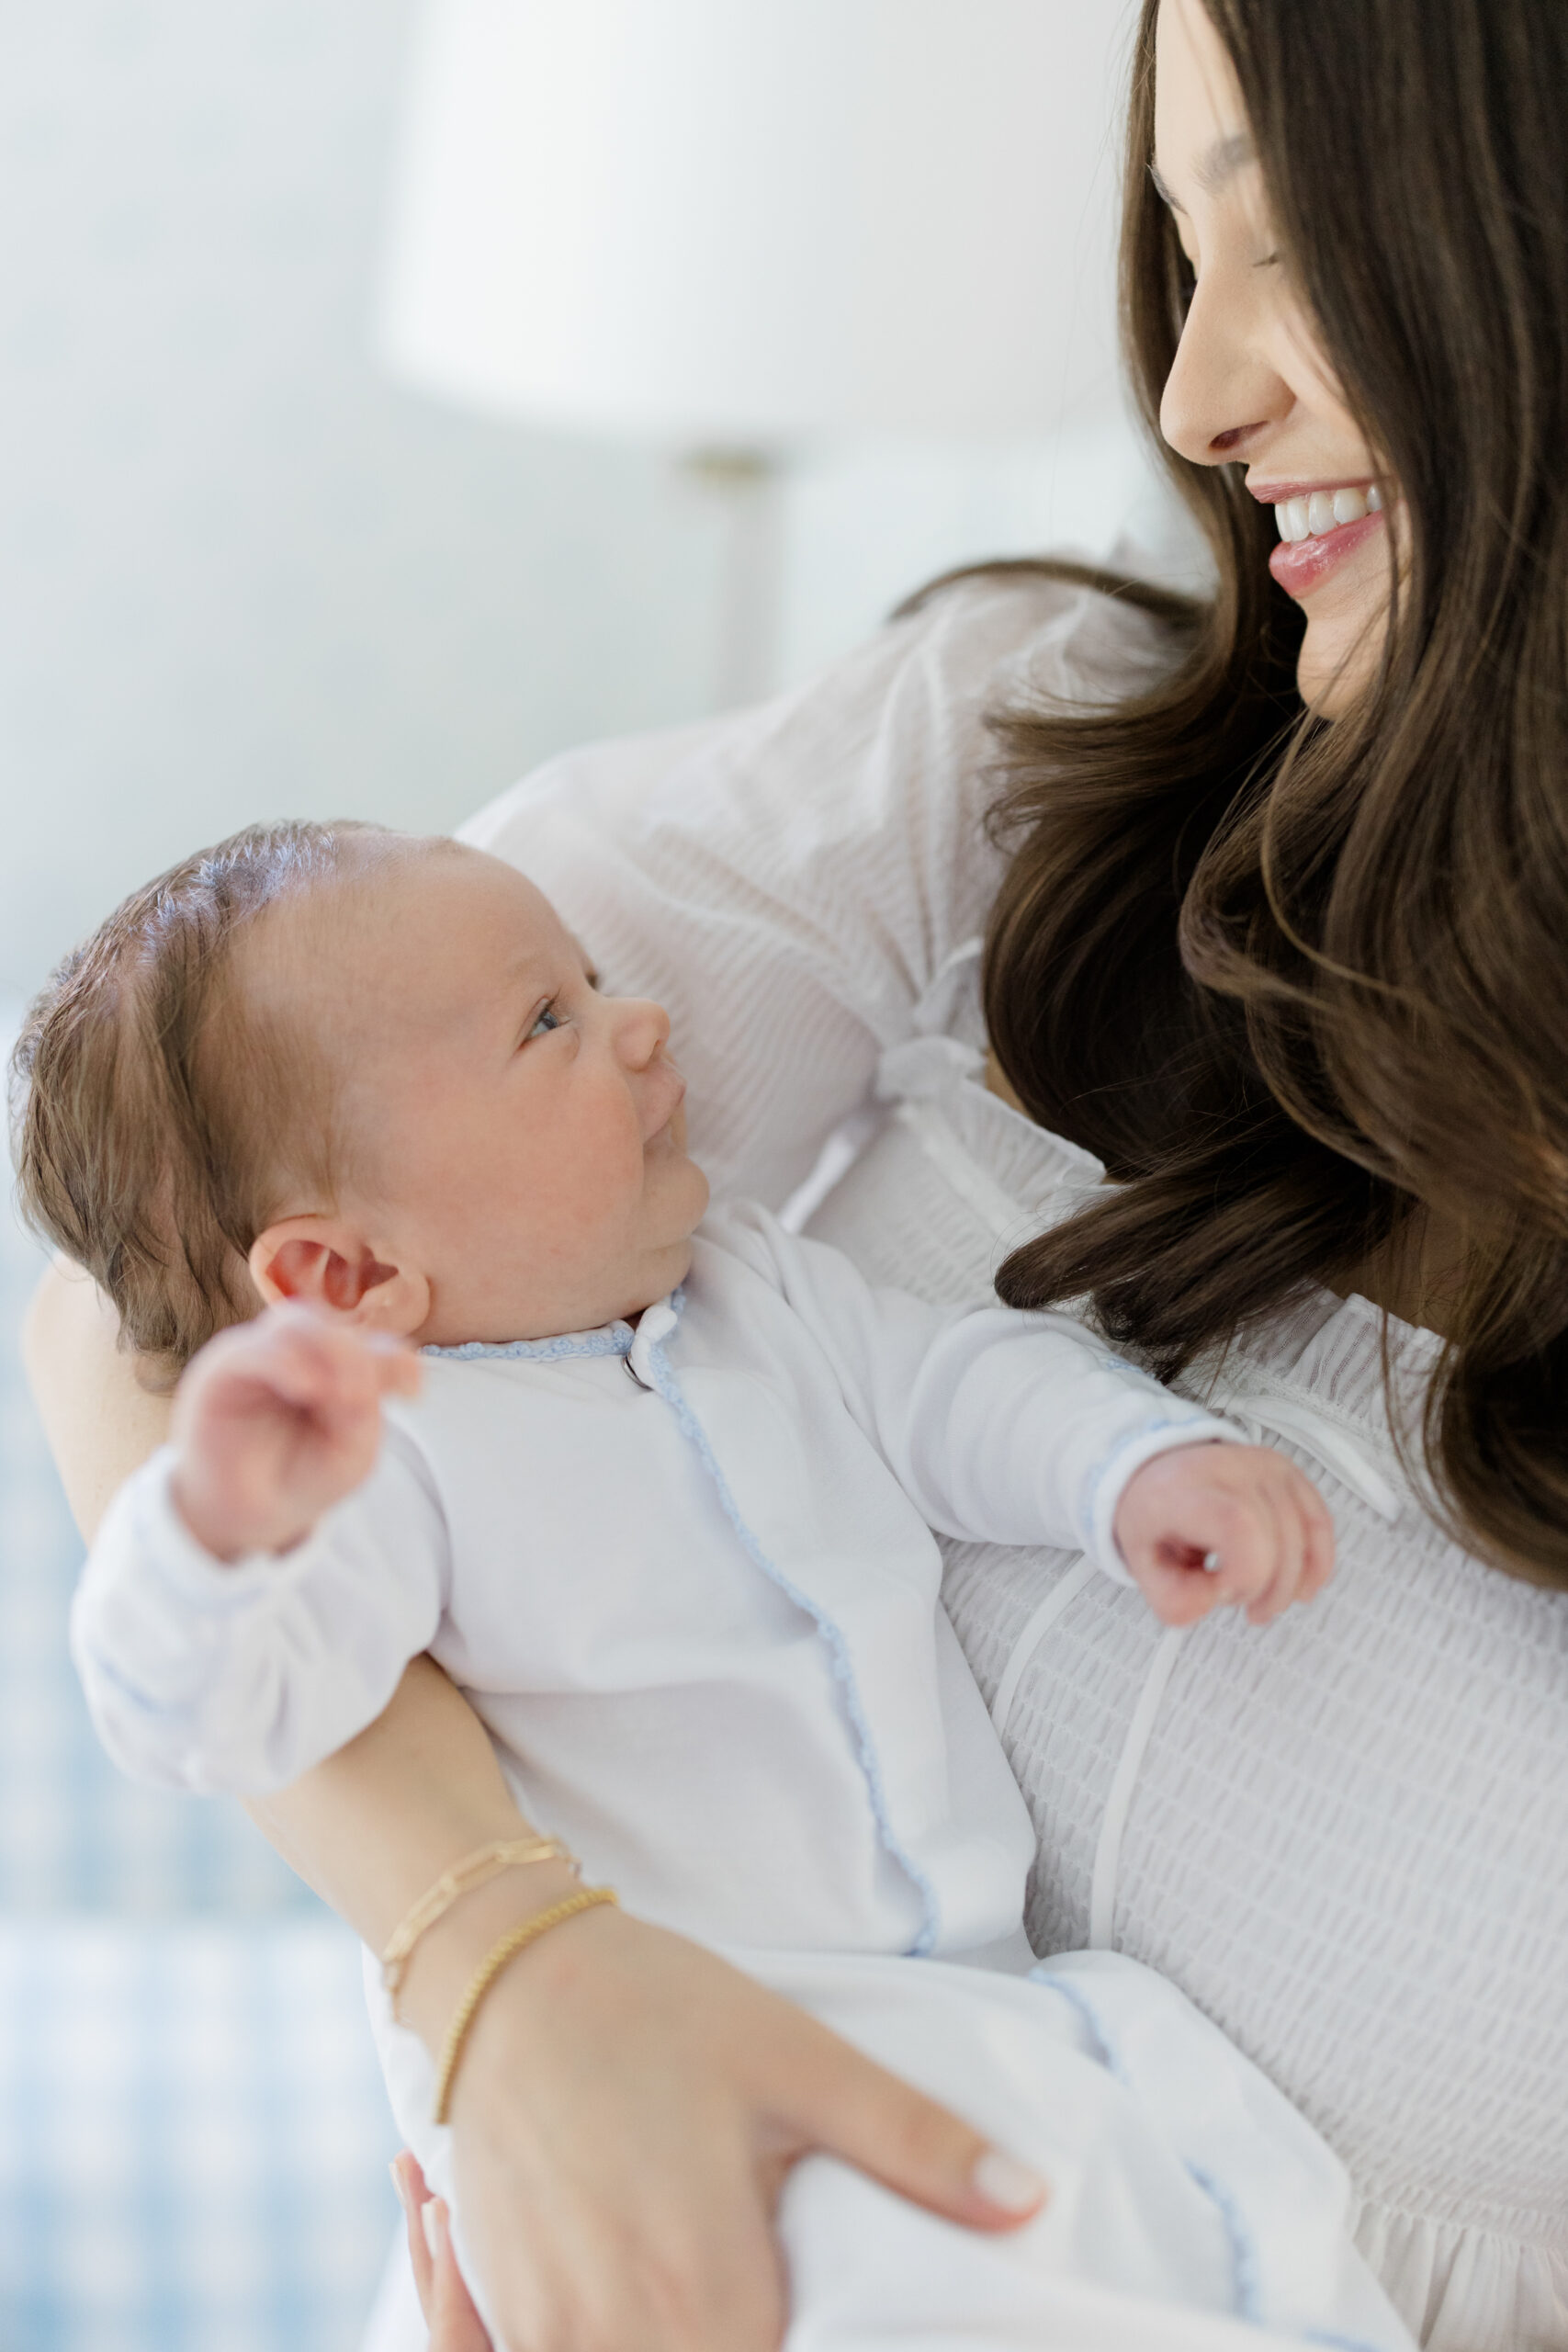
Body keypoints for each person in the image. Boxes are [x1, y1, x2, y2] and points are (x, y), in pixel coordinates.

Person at [19, 0, 1568, 2346]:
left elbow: (952, 1402)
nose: (1189, 397)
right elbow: (154, 1296)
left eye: (1293, 237)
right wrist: (506, 1968)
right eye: (1182, 247)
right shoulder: (1010, 766)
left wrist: (1126, 1465)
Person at [28, 821, 1382, 2348]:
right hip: (674, 2079)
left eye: (593, 979)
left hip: (966, 2010)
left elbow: (949, 1387)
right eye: (550, 1020)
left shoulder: (754, 1286)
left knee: (1159, 2204)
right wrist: (214, 1536)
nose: (643, 1020)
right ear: (349, 1278)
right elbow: (214, 1720)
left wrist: (1126, 1469)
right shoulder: (398, 1464)